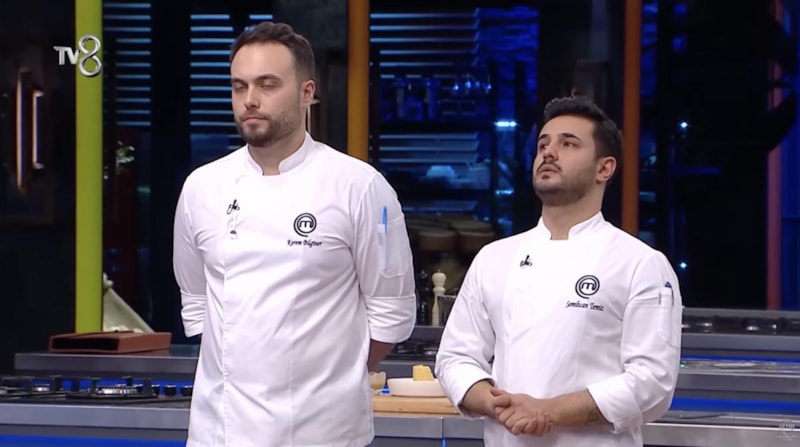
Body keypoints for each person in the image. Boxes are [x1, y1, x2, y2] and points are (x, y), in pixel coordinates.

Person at [172, 22, 416, 447]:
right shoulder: (201, 188)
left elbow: (390, 315)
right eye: (239, 86)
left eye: (267, 85)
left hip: (324, 433)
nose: (250, 99)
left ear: (307, 93)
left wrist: (324, 380)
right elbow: (197, 304)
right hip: (220, 432)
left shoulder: (359, 187)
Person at [434, 96, 683, 447]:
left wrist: (549, 411)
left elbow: (652, 382)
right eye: (543, 144)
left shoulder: (640, 264)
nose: (549, 153)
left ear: (604, 169)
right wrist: (496, 405)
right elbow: (455, 358)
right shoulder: (494, 258)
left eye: (568, 144)